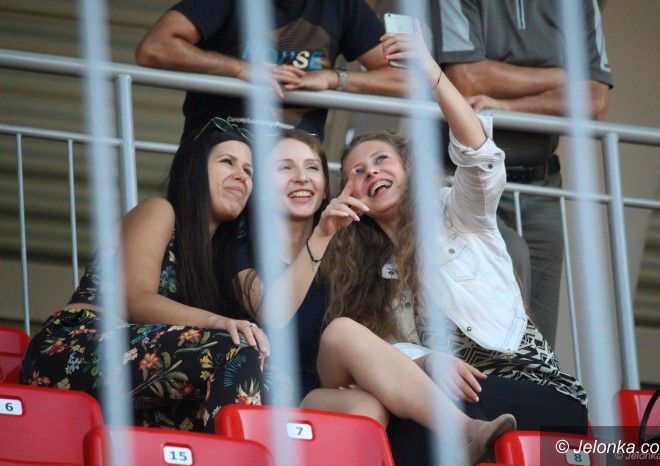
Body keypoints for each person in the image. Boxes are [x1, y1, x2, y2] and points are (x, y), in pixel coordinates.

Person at [303, 22, 588, 465]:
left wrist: (431, 72)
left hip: (527, 390)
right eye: (356, 171)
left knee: (408, 427)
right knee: (374, 401)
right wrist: (426, 361)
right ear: (350, 194)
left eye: (381, 160)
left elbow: (480, 158)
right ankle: (465, 432)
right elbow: (371, 357)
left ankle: (466, 432)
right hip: (441, 399)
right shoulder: (360, 268)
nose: (371, 172)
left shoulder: (459, 214)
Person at [20, 119, 269, 433]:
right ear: (194, 171)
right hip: (72, 348)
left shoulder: (218, 260)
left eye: (249, 170)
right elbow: (135, 300)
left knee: (265, 375)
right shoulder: (160, 210)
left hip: (134, 381)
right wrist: (218, 322)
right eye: (227, 162)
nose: (241, 175)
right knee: (235, 351)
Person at [431, 0, 613, 345]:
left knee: (539, 336)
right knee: (473, 329)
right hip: (468, 183)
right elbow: (466, 80)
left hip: (541, 187)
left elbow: (594, 100)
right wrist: (563, 77)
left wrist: (508, 105)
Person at [135, 0, 406, 139]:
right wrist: (242, 70)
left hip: (295, 167)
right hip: (216, 152)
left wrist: (333, 78)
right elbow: (154, 48)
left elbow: (406, 80)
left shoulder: (342, 5)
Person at [234, 128, 367, 402]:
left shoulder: (346, 250)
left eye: (312, 167)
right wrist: (322, 235)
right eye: (285, 167)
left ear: (325, 187)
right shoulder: (240, 242)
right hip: (258, 392)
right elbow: (272, 312)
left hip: (317, 391)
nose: (302, 177)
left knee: (365, 404)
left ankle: (461, 424)